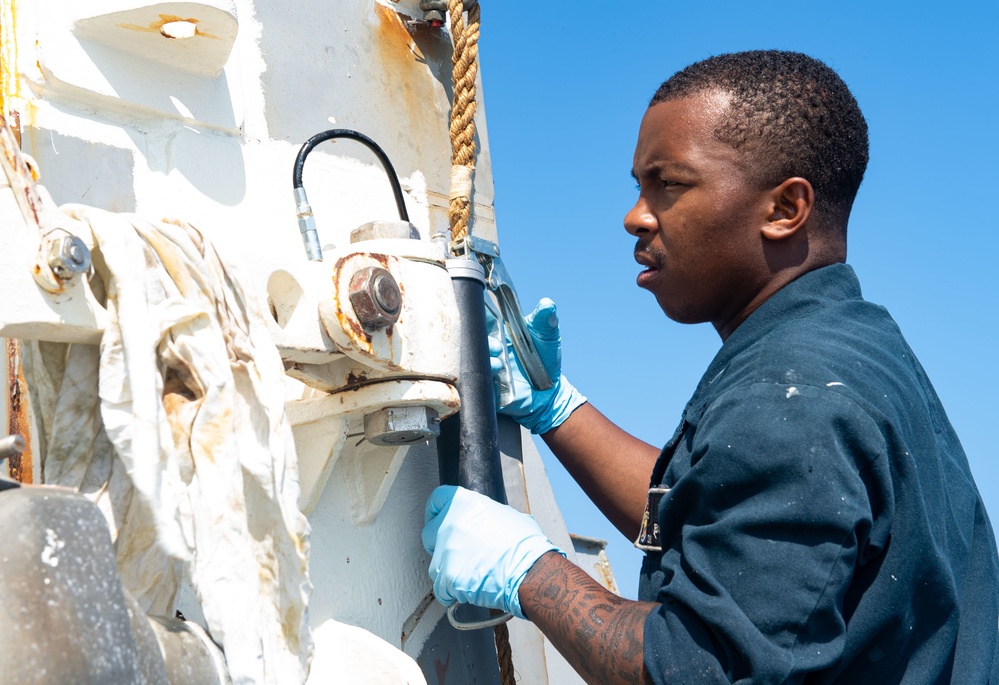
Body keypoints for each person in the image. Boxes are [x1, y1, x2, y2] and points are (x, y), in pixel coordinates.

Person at [421, 50, 999, 684]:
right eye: (638, 185)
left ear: (785, 209)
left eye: (668, 183)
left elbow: (697, 670)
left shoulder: (792, 402)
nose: (634, 215)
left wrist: (528, 571)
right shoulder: (845, 350)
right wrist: (555, 406)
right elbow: (711, 509)